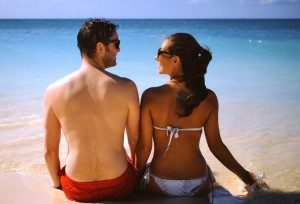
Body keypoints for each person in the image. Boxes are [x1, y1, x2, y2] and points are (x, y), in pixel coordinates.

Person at [136, 33, 264, 198]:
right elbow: (216, 146)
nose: (155, 57)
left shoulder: (151, 96)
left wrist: (135, 180)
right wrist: (246, 177)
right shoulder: (208, 97)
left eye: (160, 52)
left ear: (175, 60)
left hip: (158, 183)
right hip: (198, 183)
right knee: (210, 173)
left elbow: (144, 148)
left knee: (146, 167)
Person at [44, 18, 139, 202]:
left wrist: (57, 184)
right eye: (116, 44)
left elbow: (49, 151)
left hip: (77, 187)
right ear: (100, 48)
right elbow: (135, 141)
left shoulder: (53, 90)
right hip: (119, 184)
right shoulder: (127, 87)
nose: (119, 49)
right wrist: (137, 177)